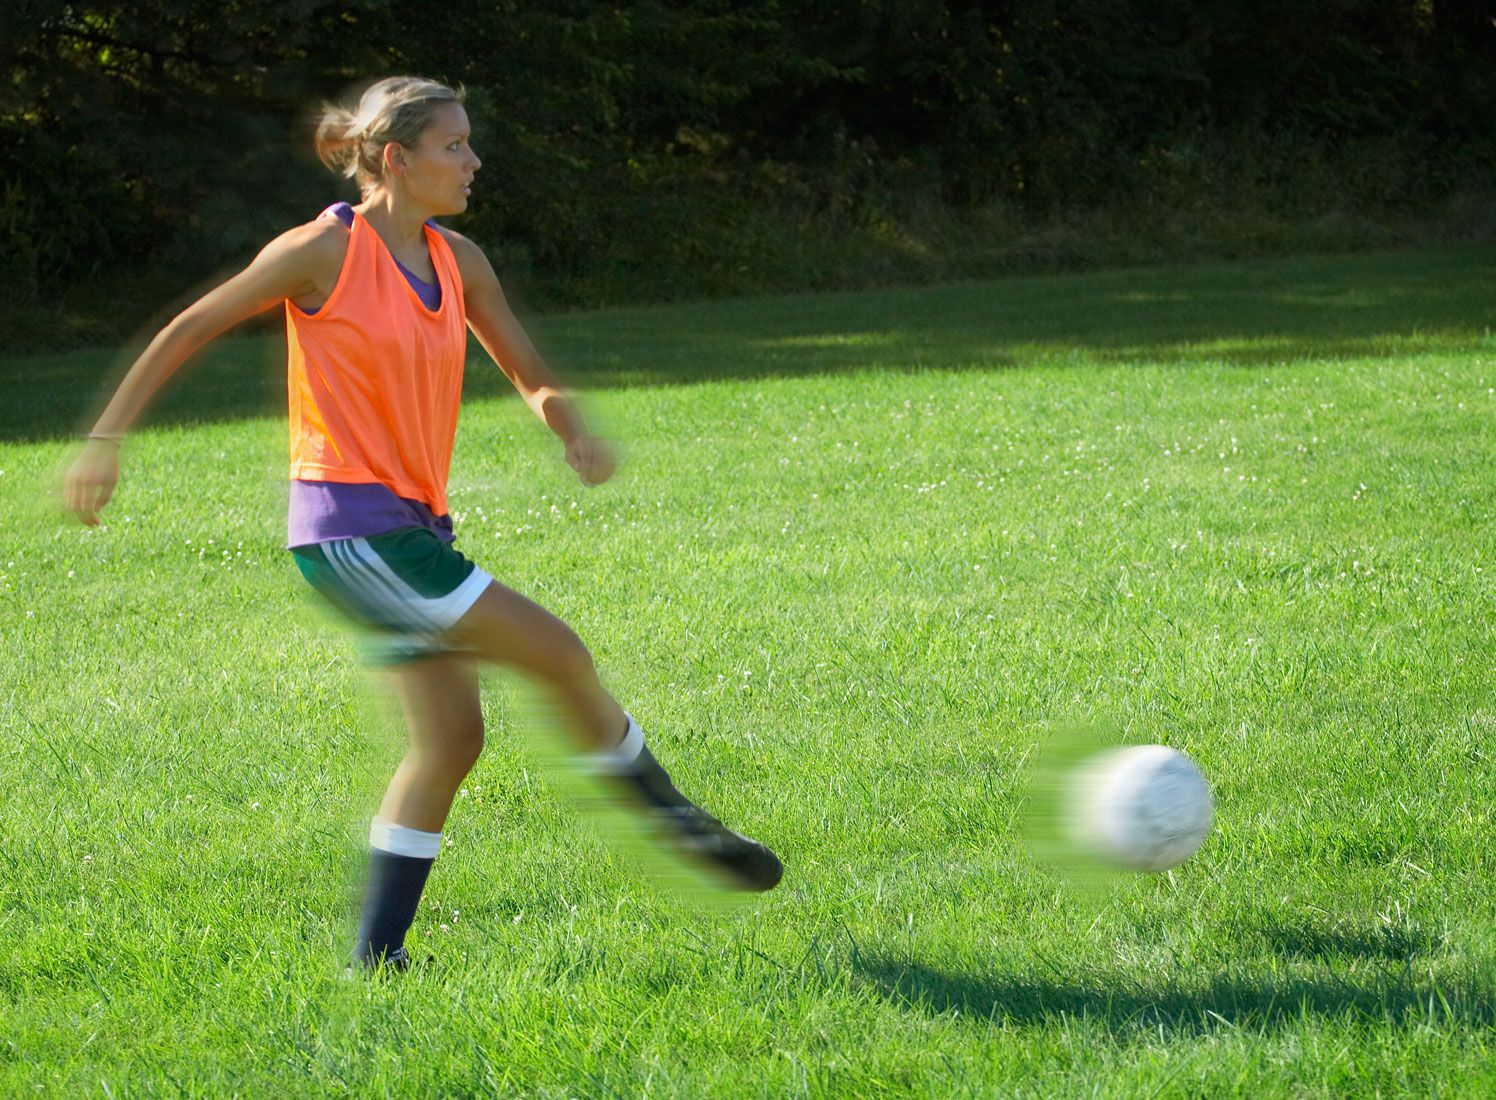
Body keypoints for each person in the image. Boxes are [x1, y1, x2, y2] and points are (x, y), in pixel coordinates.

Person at [62, 75, 782, 973]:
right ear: (396, 159)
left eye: (470, 143)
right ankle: (678, 826)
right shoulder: (323, 251)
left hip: (409, 532)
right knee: (560, 654)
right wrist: (104, 439)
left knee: (450, 742)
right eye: (454, 146)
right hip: (351, 533)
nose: (474, 161)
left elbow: (527, 370)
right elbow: (188, 328)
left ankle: (377, 960)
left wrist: (569, 427)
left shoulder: (459, 261)